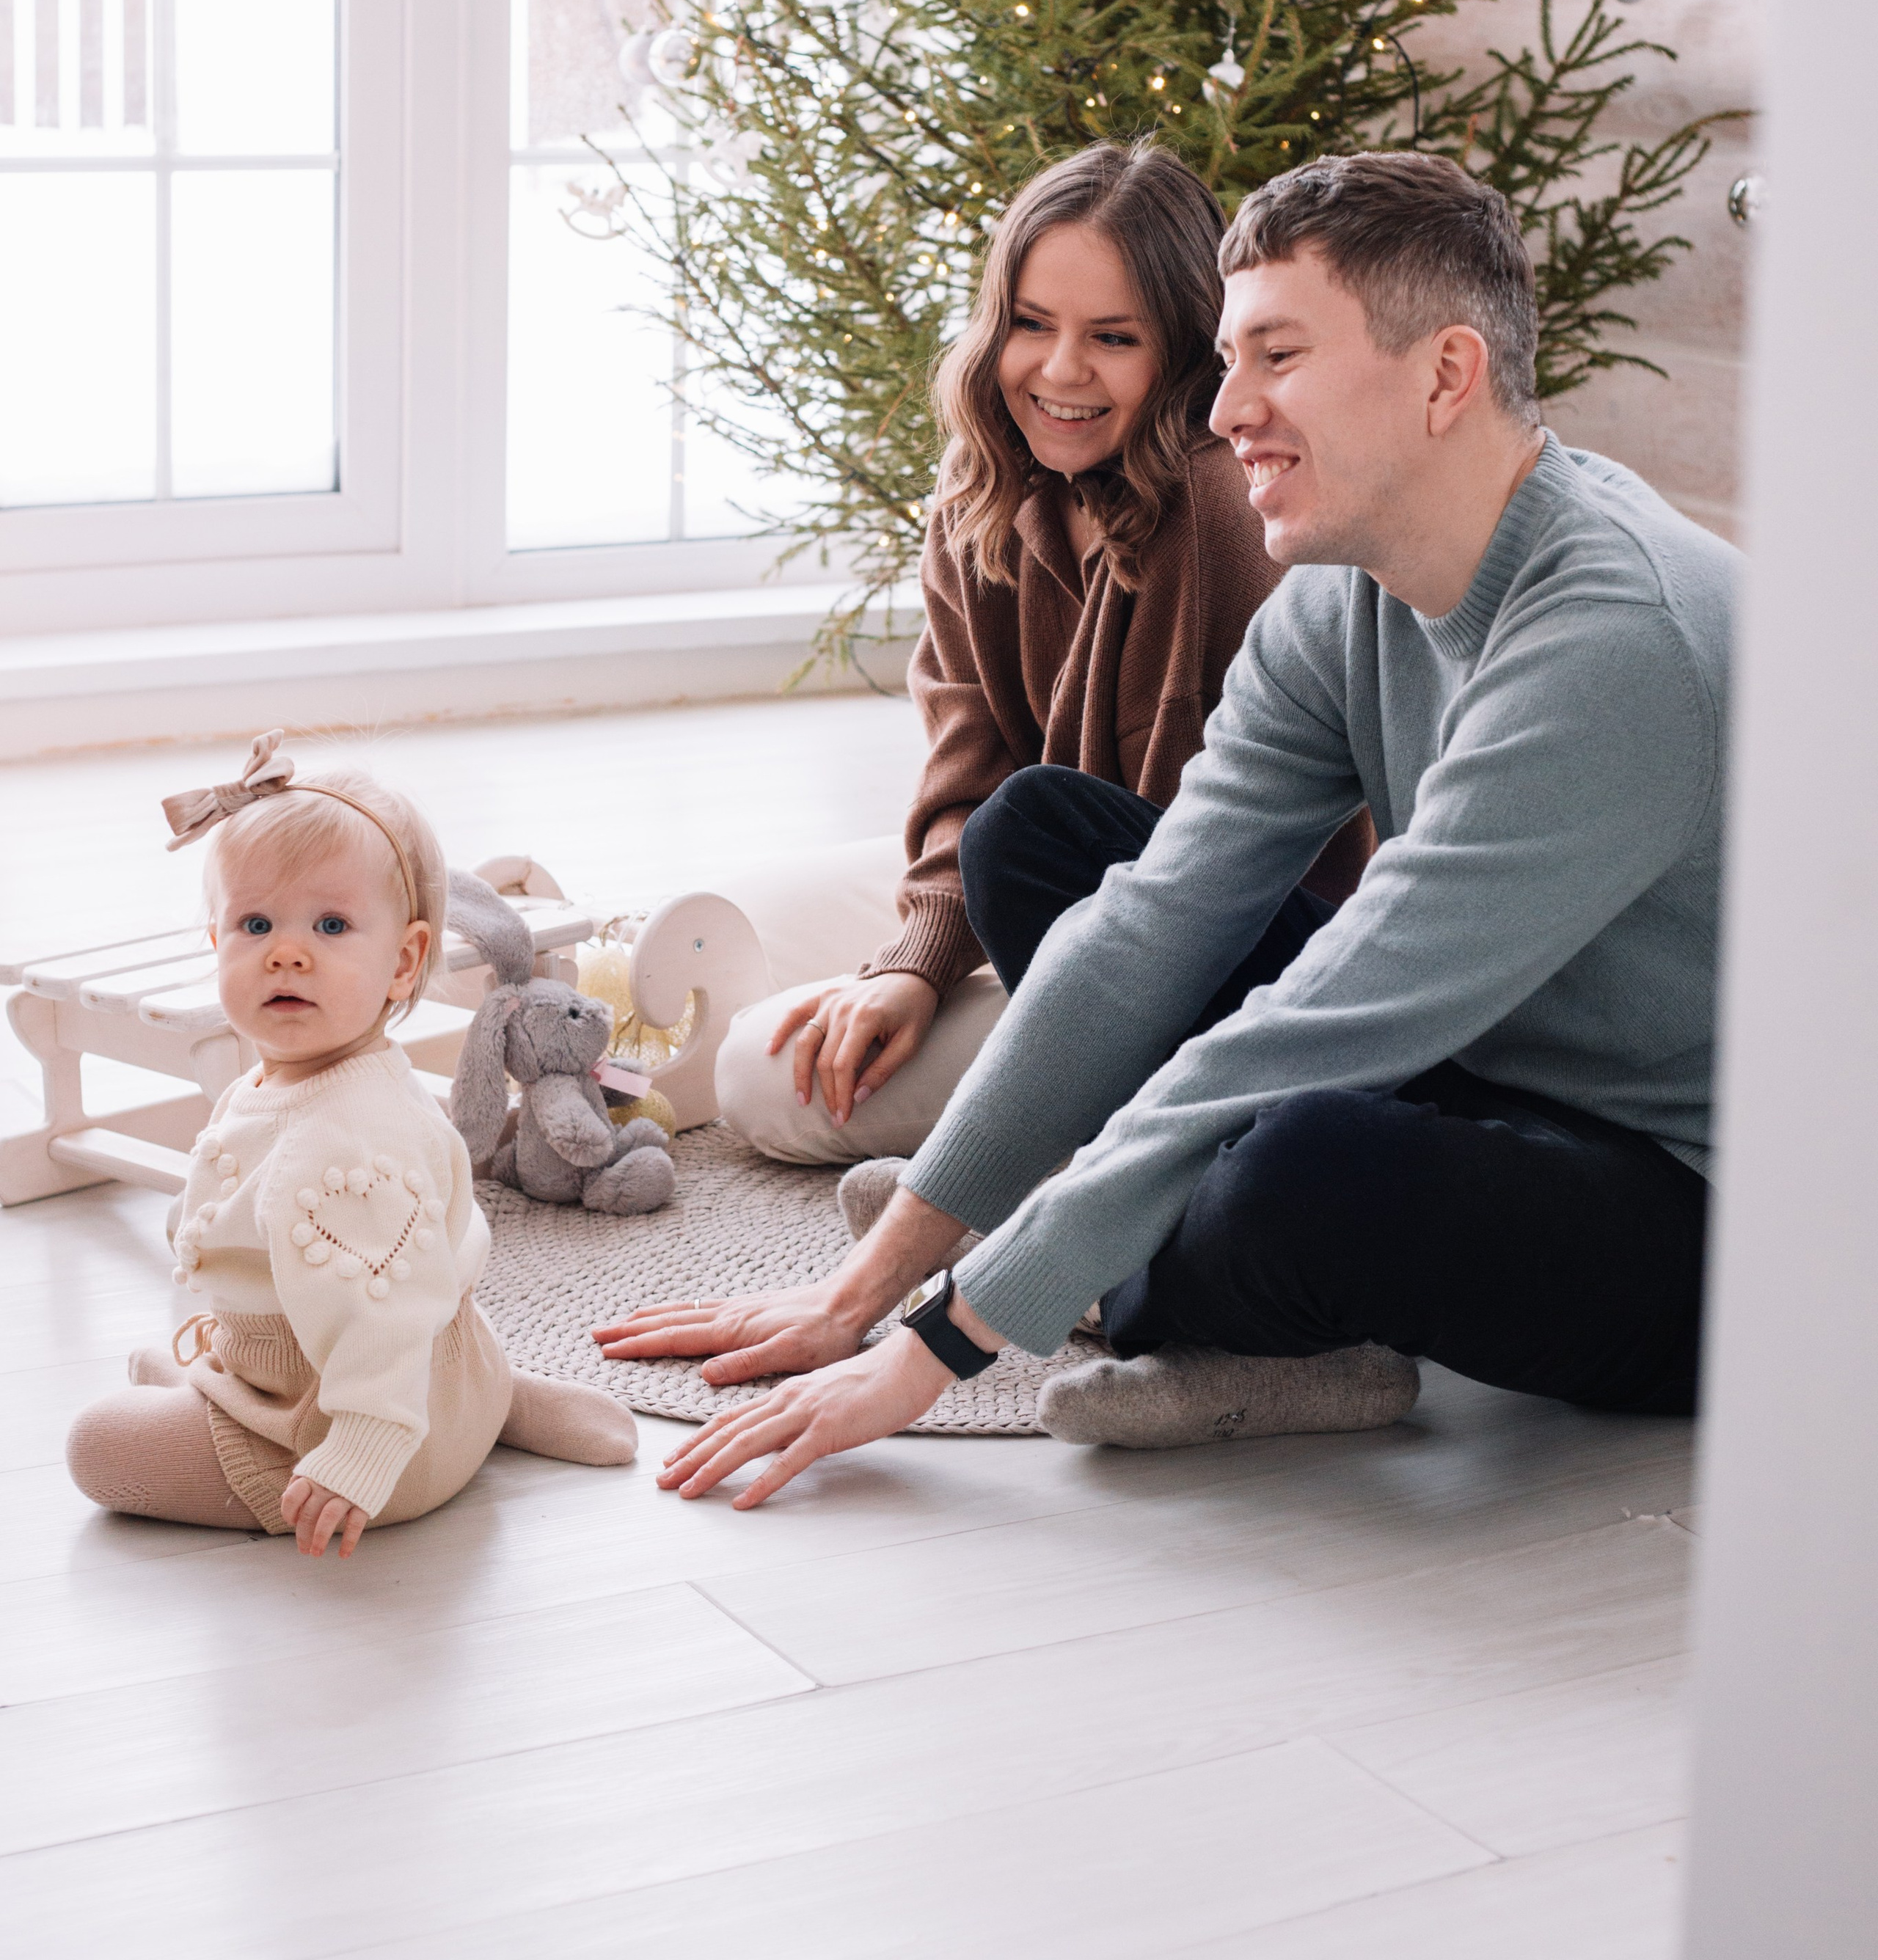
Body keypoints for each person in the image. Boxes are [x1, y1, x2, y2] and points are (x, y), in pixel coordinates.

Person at [599, 150, 1734, 1507]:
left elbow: (1336, 1011)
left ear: (1444, 376)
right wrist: (872, 1273)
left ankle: (1131, 1266)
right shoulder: (1345, 586)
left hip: (1708, 1211)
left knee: (1300, 1175)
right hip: (1479, 1072)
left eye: (1276, 357)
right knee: (1066, 852)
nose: (1230, 405)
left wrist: (937, 1338)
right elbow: (1152, 923)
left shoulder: (1615, 639)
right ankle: (1114, 1241)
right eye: (1225, 357)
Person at [715, 140, 1361, 1167]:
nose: (1061, 371)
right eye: (1030, 324)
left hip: (1184, 940)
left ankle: (1068, 1176)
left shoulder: (1211, 506)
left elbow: (1171, 883)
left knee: (761, 1076)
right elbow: (968, 756)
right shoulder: (982, 490)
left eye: (1113, 336)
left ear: (1186, 350)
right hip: (1034, 878)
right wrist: (917, 960)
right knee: (732, 927)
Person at [65, 739, 640, 1554]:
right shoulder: (320, 1074)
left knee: (99, 1444)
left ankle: (376, 1421)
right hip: (429, 1365)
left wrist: (360, 1454)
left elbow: (381, 1316)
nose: (287, 950)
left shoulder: (339, 1151)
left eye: (331, 925)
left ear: (402, 960)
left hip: (361, 1438)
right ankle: (485, 1397)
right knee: (368, 1331)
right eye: (255, 923)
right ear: (215, 940)